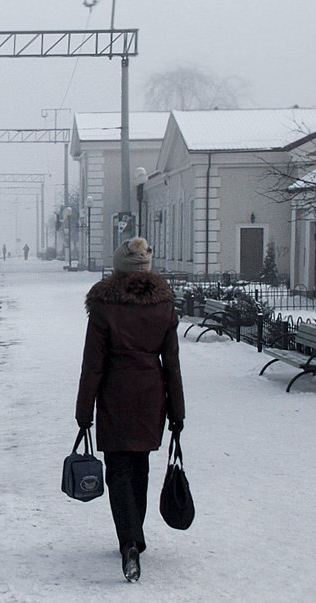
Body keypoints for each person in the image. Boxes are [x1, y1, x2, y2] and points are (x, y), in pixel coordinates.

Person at [75, 236, 184, 583]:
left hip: (115, 396)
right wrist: (177, 412)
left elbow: (92, 364)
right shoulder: (163, 305)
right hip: (152, 397)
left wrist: (84, 411)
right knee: (140, 466)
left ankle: (129, 542)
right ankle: (135, 535)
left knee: (118, 469)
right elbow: (173, 365)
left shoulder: (104, 305)